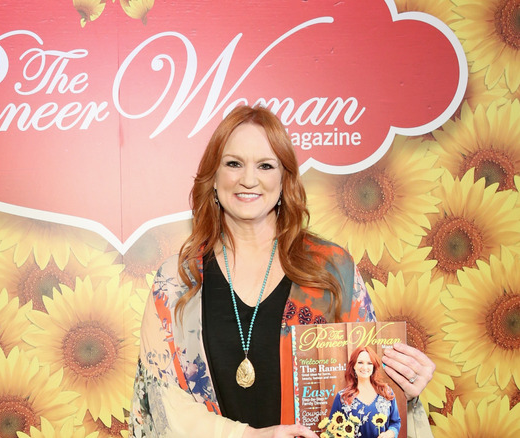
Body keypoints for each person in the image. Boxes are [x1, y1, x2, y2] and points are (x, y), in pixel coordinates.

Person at [129, 105, 435, 438]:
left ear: (284, 178)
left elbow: (364, 386)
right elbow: (161, 404)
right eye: (233, 164)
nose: (248, 179)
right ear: (213, 178)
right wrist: (251, 436)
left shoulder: (332, 271)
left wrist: (404, 387)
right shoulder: (176, 282)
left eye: (265, 165)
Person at [327, 347, 401, 438]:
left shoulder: (386, 392)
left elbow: (395, 422)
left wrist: (390, 433)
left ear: (374, 366)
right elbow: (332, 430)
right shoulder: (342, 397)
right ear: (353, 365)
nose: (365, 367)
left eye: (369, 363)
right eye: (360, 362)